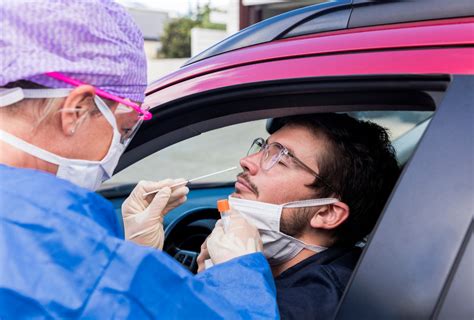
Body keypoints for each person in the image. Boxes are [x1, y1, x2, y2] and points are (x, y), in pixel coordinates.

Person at [0, 1, 278, 318]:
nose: (120, 144)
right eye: (126, 128)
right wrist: (239, 275)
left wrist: (130, 254)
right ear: (76, 110)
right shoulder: (53, 235)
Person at [198, 113, 400, 319]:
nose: (247, 161)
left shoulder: (324, 298)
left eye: (280, 159)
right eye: (263, 148)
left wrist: (235, 278)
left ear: (327, 213)